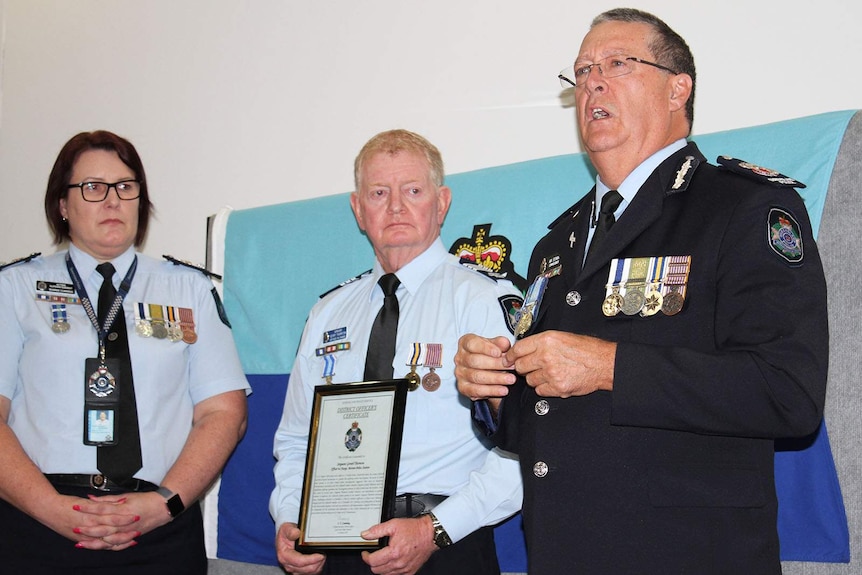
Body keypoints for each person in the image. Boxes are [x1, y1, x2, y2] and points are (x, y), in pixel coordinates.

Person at [453, 8, 828, 575]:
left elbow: (787, 393)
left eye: (618, 63)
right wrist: (498, 393)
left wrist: (610, 366)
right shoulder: (557, 243)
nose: (593, 82)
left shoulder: (743, 207)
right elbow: (543, 422)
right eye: (581, 73)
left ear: (679, 88)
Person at [270, 129, 523, 575]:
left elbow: (521, 448)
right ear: (357, 209)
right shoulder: (328, 313)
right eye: (379, 193)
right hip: (335, 544)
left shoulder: (480, 299)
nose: (396, 207)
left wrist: (436, 529)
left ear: (441, 203)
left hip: (445, 544)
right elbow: (295, 441)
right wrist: (291, 516)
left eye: (413, 191)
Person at [0, 130, 250, 574]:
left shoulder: (188, 289)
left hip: (160, 527)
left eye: (126, 187)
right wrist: (52, 510)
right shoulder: (14, 288)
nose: (113, 201)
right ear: (62, 204)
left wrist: (163, 504)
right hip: (38, 527)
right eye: (93, 188)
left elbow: (224, 414)